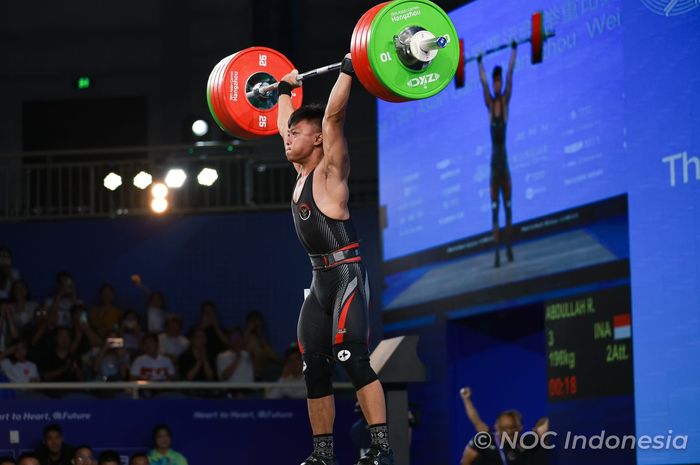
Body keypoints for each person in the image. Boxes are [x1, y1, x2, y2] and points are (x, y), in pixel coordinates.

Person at [277, 55, 393, 465]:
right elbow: (284, 121)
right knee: (313, 368)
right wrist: (284, 90)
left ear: (318, 140)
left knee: (353, 359)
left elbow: (334, 116)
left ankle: (381, 448)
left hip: (346, 275)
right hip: (319, 282)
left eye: (297, 134)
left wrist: (348, 69)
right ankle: (323, 454)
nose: (288, 138)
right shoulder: (300, 174)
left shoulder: (329, 173)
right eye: (288, 134)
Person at [478, 42, 517, 267]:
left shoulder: (504, 101)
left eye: (498, 81)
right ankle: (497, 254)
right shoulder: (490, 103)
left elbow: (511, 73)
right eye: (494, 81)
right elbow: (482, 81)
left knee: (508, 210)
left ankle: (510, 248)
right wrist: (480, 62)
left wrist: (514, 51)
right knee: (494, 214)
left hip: (505, 167)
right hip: (494, 169)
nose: (496, 84)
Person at [459, 387, 548, 465]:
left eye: (512, 428)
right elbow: (476, 421)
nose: (509, 432)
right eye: (504, 428)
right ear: (497, 427)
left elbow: (543, 428)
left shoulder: (524, 442)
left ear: (520, 427)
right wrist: (466, 399)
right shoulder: (486, 439)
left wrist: (560, 405)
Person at [243, 310, 280, 381]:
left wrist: (260, 334)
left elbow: (275, 357)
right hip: (247, 373)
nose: (255, 324)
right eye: (253, 321)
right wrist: (248, 330)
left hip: (263, 373)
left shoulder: (263, 342)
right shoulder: (246, 340)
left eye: (257, 321)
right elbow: (241, 351)